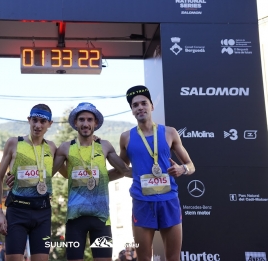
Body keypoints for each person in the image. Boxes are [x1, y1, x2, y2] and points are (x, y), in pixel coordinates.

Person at [118, 85, 195, 261]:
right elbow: (122, 168)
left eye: (143, 103)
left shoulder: (169, 132)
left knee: (173, 258)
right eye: (135, 105)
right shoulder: (126, 137)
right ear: (132, 111)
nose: (140, 107)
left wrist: (182, 169)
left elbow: (191, 166)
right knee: (144, 258)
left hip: (168, 201)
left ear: (152, 106)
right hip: (142, 203)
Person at [52, 102, 131, 261]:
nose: (85, 123)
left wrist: (152, 174)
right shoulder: (66, 148)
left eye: (89, 119)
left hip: (101, 219)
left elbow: (124, 170)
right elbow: (48, 173)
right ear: (75, 123)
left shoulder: (105, 146)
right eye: (81, 119)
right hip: (75, 219)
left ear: (95, 123)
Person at [0, 104, 66, 261]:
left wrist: (94, 140)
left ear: (50, 124)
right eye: (35, 120)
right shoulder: (14, 143)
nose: (38, 125)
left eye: (42, 121)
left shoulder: (52, 147)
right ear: (29, 120)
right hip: (17, 211)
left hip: (43, 212)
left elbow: (64, 171)